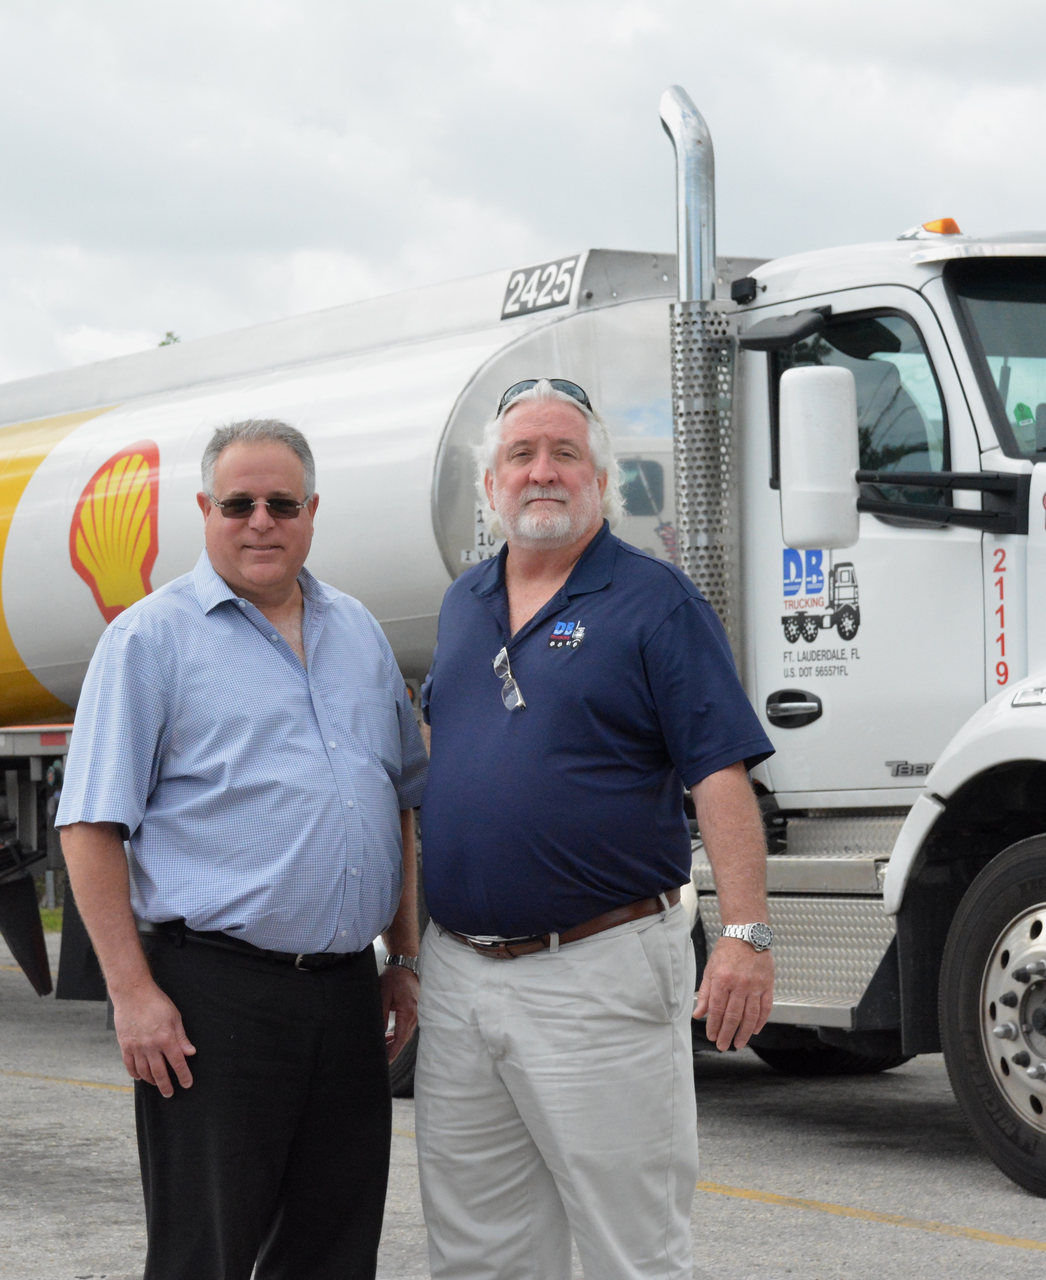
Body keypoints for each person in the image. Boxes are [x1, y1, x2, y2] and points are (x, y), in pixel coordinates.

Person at [416, 378, 777, 1280]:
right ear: (490, 483)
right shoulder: (462, 605)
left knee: (632, 1247)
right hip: (460, 976)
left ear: (601, 479)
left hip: (598, 972)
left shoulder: (655, 602)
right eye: (521, 456)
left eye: (564, 453)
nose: (542, 472)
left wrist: (745, 935)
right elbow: (438, 763)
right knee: (477, 1251)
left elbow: (719, 776)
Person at [56, 418, 427, 1280]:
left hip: (343, 1000)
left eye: (282, 503)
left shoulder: (360, 633)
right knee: (206, 1254)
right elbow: (90, 827)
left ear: (312, 512)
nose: (261, 520)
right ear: (204, 509)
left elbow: (401, 802)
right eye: (238, 503)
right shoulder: (149, 641)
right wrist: (132, 994)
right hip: (213, 1000)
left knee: (334, 1250)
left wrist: (403, 955)